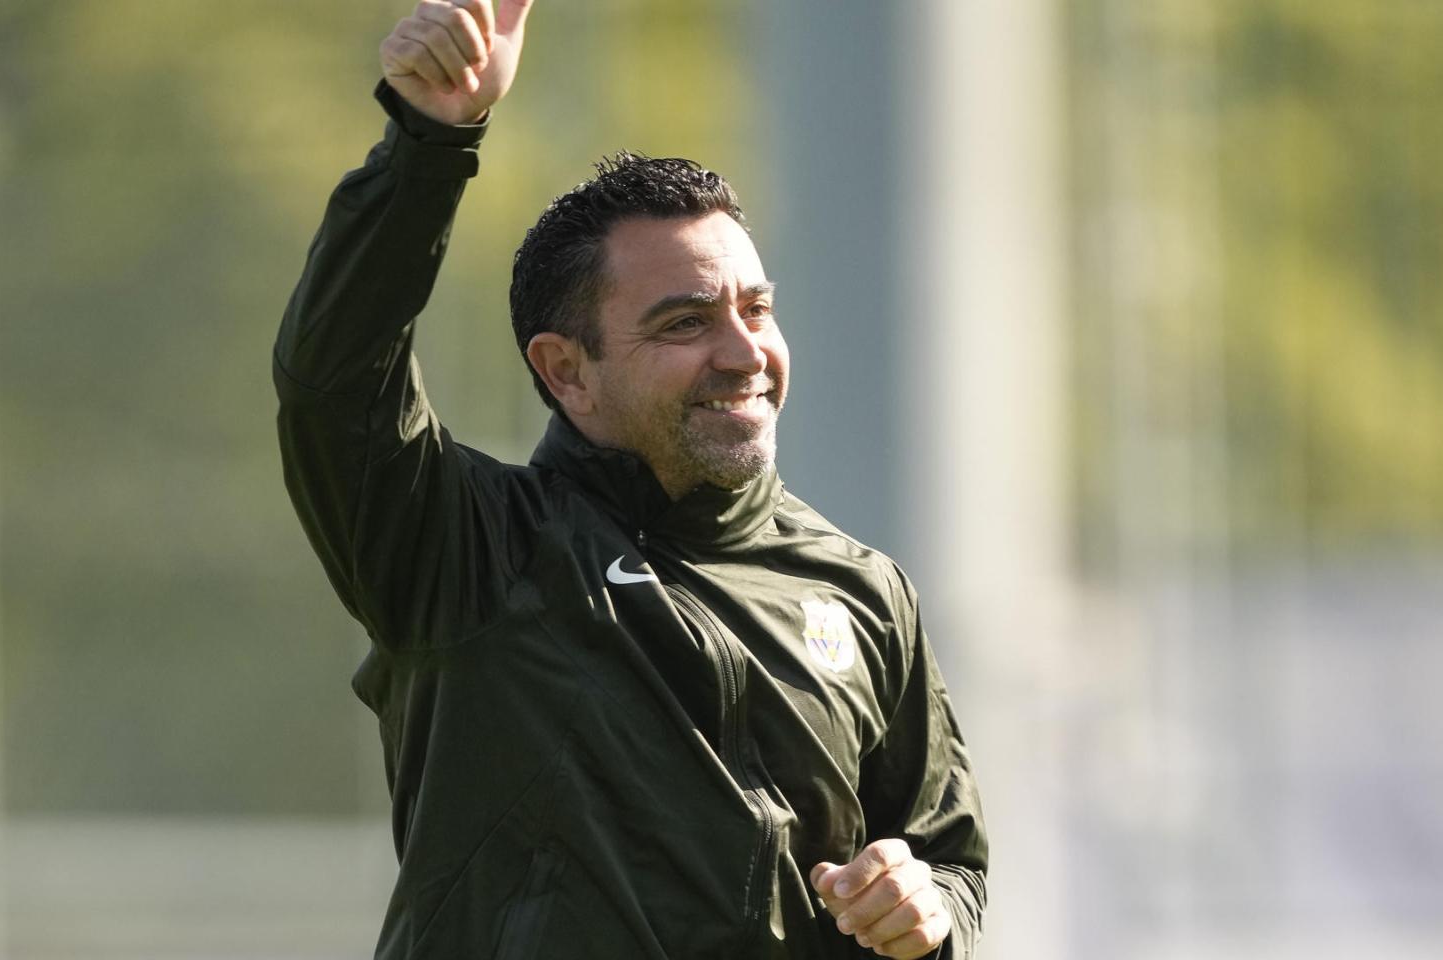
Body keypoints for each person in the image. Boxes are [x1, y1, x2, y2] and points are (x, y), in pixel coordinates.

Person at [273, 1, 988, 956]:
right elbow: (333, 384)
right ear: (567, 371)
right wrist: (427, 142)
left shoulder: (863, 591)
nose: (745, 353)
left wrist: (926, 909)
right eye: (685, 323)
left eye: (756, 310)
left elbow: (949, 859)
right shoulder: (470, 551)